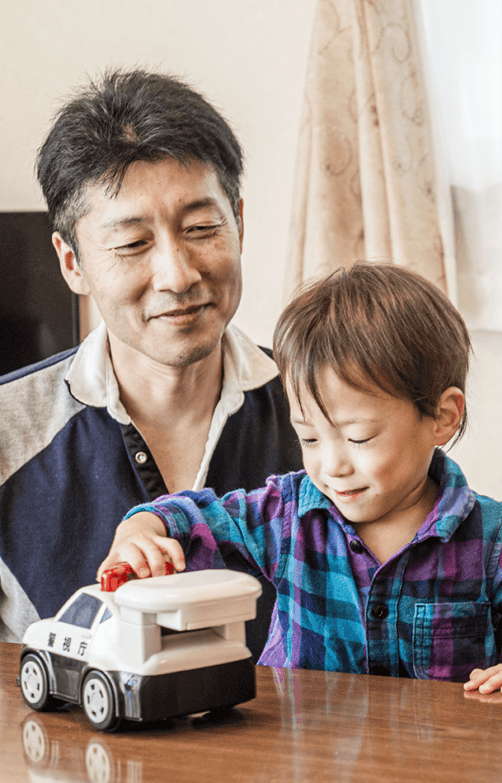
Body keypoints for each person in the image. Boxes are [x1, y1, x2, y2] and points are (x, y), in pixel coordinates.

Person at [98, 262, 502, 694]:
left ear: (442, 417)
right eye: (309, 439)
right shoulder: (287, 515)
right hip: (305, 749)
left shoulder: (492, 535)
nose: (332, 465)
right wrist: (143, 527)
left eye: (358, 438)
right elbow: (199, 515)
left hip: (439, 753)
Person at [0, 70, 301, 648]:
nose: (177, 275)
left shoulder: (331, 411)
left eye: (202, 228)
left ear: (240, 223)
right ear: (72, 262)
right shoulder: (9, 434)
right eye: (132, 244)